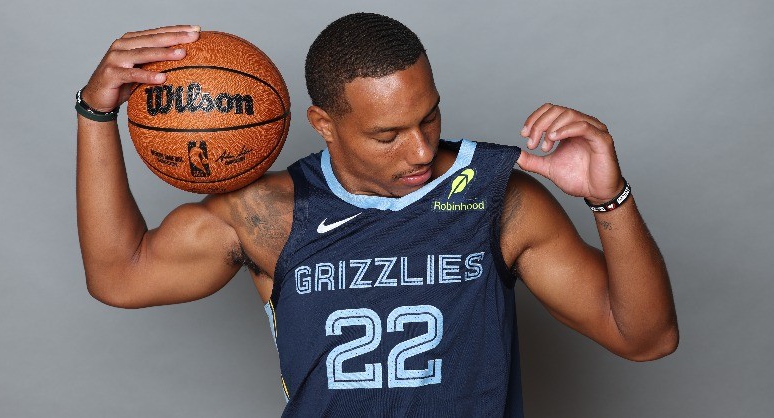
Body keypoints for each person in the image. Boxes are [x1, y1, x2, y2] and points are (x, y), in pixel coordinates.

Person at [76, 12, 678, 417]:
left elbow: (646, 339)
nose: (420, 150)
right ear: (324, 125)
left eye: (429, 117)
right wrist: (96, 114)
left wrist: (608, 197)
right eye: (387, 135)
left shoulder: (500, 198)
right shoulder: (270, 214)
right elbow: (118, 276)